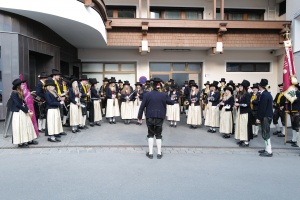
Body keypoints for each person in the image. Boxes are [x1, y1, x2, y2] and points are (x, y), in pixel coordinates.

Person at [138, 77, 174, 159]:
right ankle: (159, 153)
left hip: (149, 116)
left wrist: (139, 117)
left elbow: (142, 106)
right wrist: (171, 97)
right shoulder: (164, 95)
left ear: (151, 86)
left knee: (150, 134)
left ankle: (150, 153)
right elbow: (171, 102)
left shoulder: (147, 94)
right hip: (160, 117)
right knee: (158, 135)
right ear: (159, 85)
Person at [11, 78, 38, 148]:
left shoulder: (20, 92)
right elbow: (17, 104)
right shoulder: (14, 93)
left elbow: (24, 102)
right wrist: (26, 110)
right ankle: (21, 143)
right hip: (18, 112)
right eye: (21, 84)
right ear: (18, 86)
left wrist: (27, 109)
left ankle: (29, 139)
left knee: (27, 125)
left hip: (23, 111)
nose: (23, 85)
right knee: (21, 127)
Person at [256, 79, 274, 157]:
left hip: (265, 116)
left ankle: (269, 150)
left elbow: (262, 108)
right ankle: (267, 148)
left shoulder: (264, 95)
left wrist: (258, 118)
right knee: (265, 132)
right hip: (268, 115)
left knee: (265, 133)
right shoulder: (268, 94)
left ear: (260, 87)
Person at [235, 80, 253, 147]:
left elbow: (247, 104)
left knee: (245, 127)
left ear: (244, 87)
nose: (239, 87)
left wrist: (239, 104)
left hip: (245, 112)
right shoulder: (240, 94)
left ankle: (246, 142)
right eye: (239, 86)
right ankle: (242, 139)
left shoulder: (247, 94)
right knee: (240, 125)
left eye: (241, 86)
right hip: (241, 111)